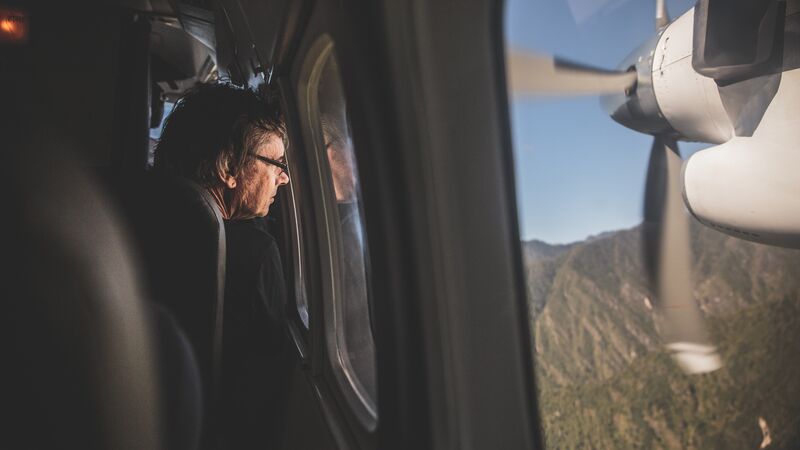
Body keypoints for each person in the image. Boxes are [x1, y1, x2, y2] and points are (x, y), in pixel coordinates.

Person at [154, 83, 291, 449]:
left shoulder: (144, 218)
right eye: (276, 163)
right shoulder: (256, 255)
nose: (284, 177)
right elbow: (267, 389)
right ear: (230, 166)